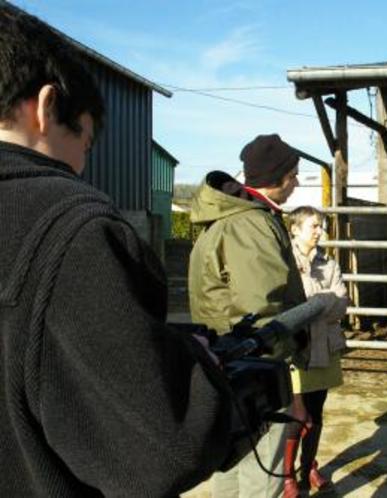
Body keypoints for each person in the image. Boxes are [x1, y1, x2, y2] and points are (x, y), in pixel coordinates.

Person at [0, 5, 245, 496]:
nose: (82, 165)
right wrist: (201, 375)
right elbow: (161, 448)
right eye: (85, 143)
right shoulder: (71, 228)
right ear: (45, 108)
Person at [189, 134, 307, 498]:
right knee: (260, 469)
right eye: (294, 174)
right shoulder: (251, 225)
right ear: (280, 177)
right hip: (254, 368)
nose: (297, 182)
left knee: (231, 459)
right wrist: (292, 344)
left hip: (226, 362)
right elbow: (261, 309)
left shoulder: (232, 218)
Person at [283, 206, 348, 497]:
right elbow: (291, 305)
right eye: (314, 226)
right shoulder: (283, 262)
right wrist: (321, 302)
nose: (320, 231)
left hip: (324, 347)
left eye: (321, 226)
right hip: (297, 350)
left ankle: (308, 467)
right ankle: (287, 478)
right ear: (295, 229)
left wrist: (312, 305)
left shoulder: (329, 262)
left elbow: (341, 302)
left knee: (317, 413)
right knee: (298, 416)